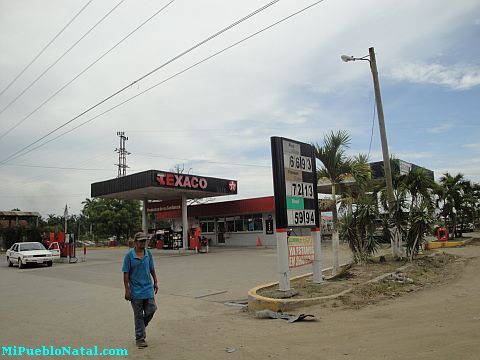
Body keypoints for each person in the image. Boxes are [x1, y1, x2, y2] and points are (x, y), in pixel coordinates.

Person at [122, 232, 158, 348]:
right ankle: (140, 338)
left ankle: (141, 326)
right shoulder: (129, 256)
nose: (143, 243)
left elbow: (152, 268)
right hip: (136, 291)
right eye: (141, 241)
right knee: (138, 315)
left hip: (148, 288)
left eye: (144, 241)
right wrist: (127, 290)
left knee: (152, 309)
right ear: (135, 242)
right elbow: (126, 273)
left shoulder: (148, 254)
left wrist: (156, 282)